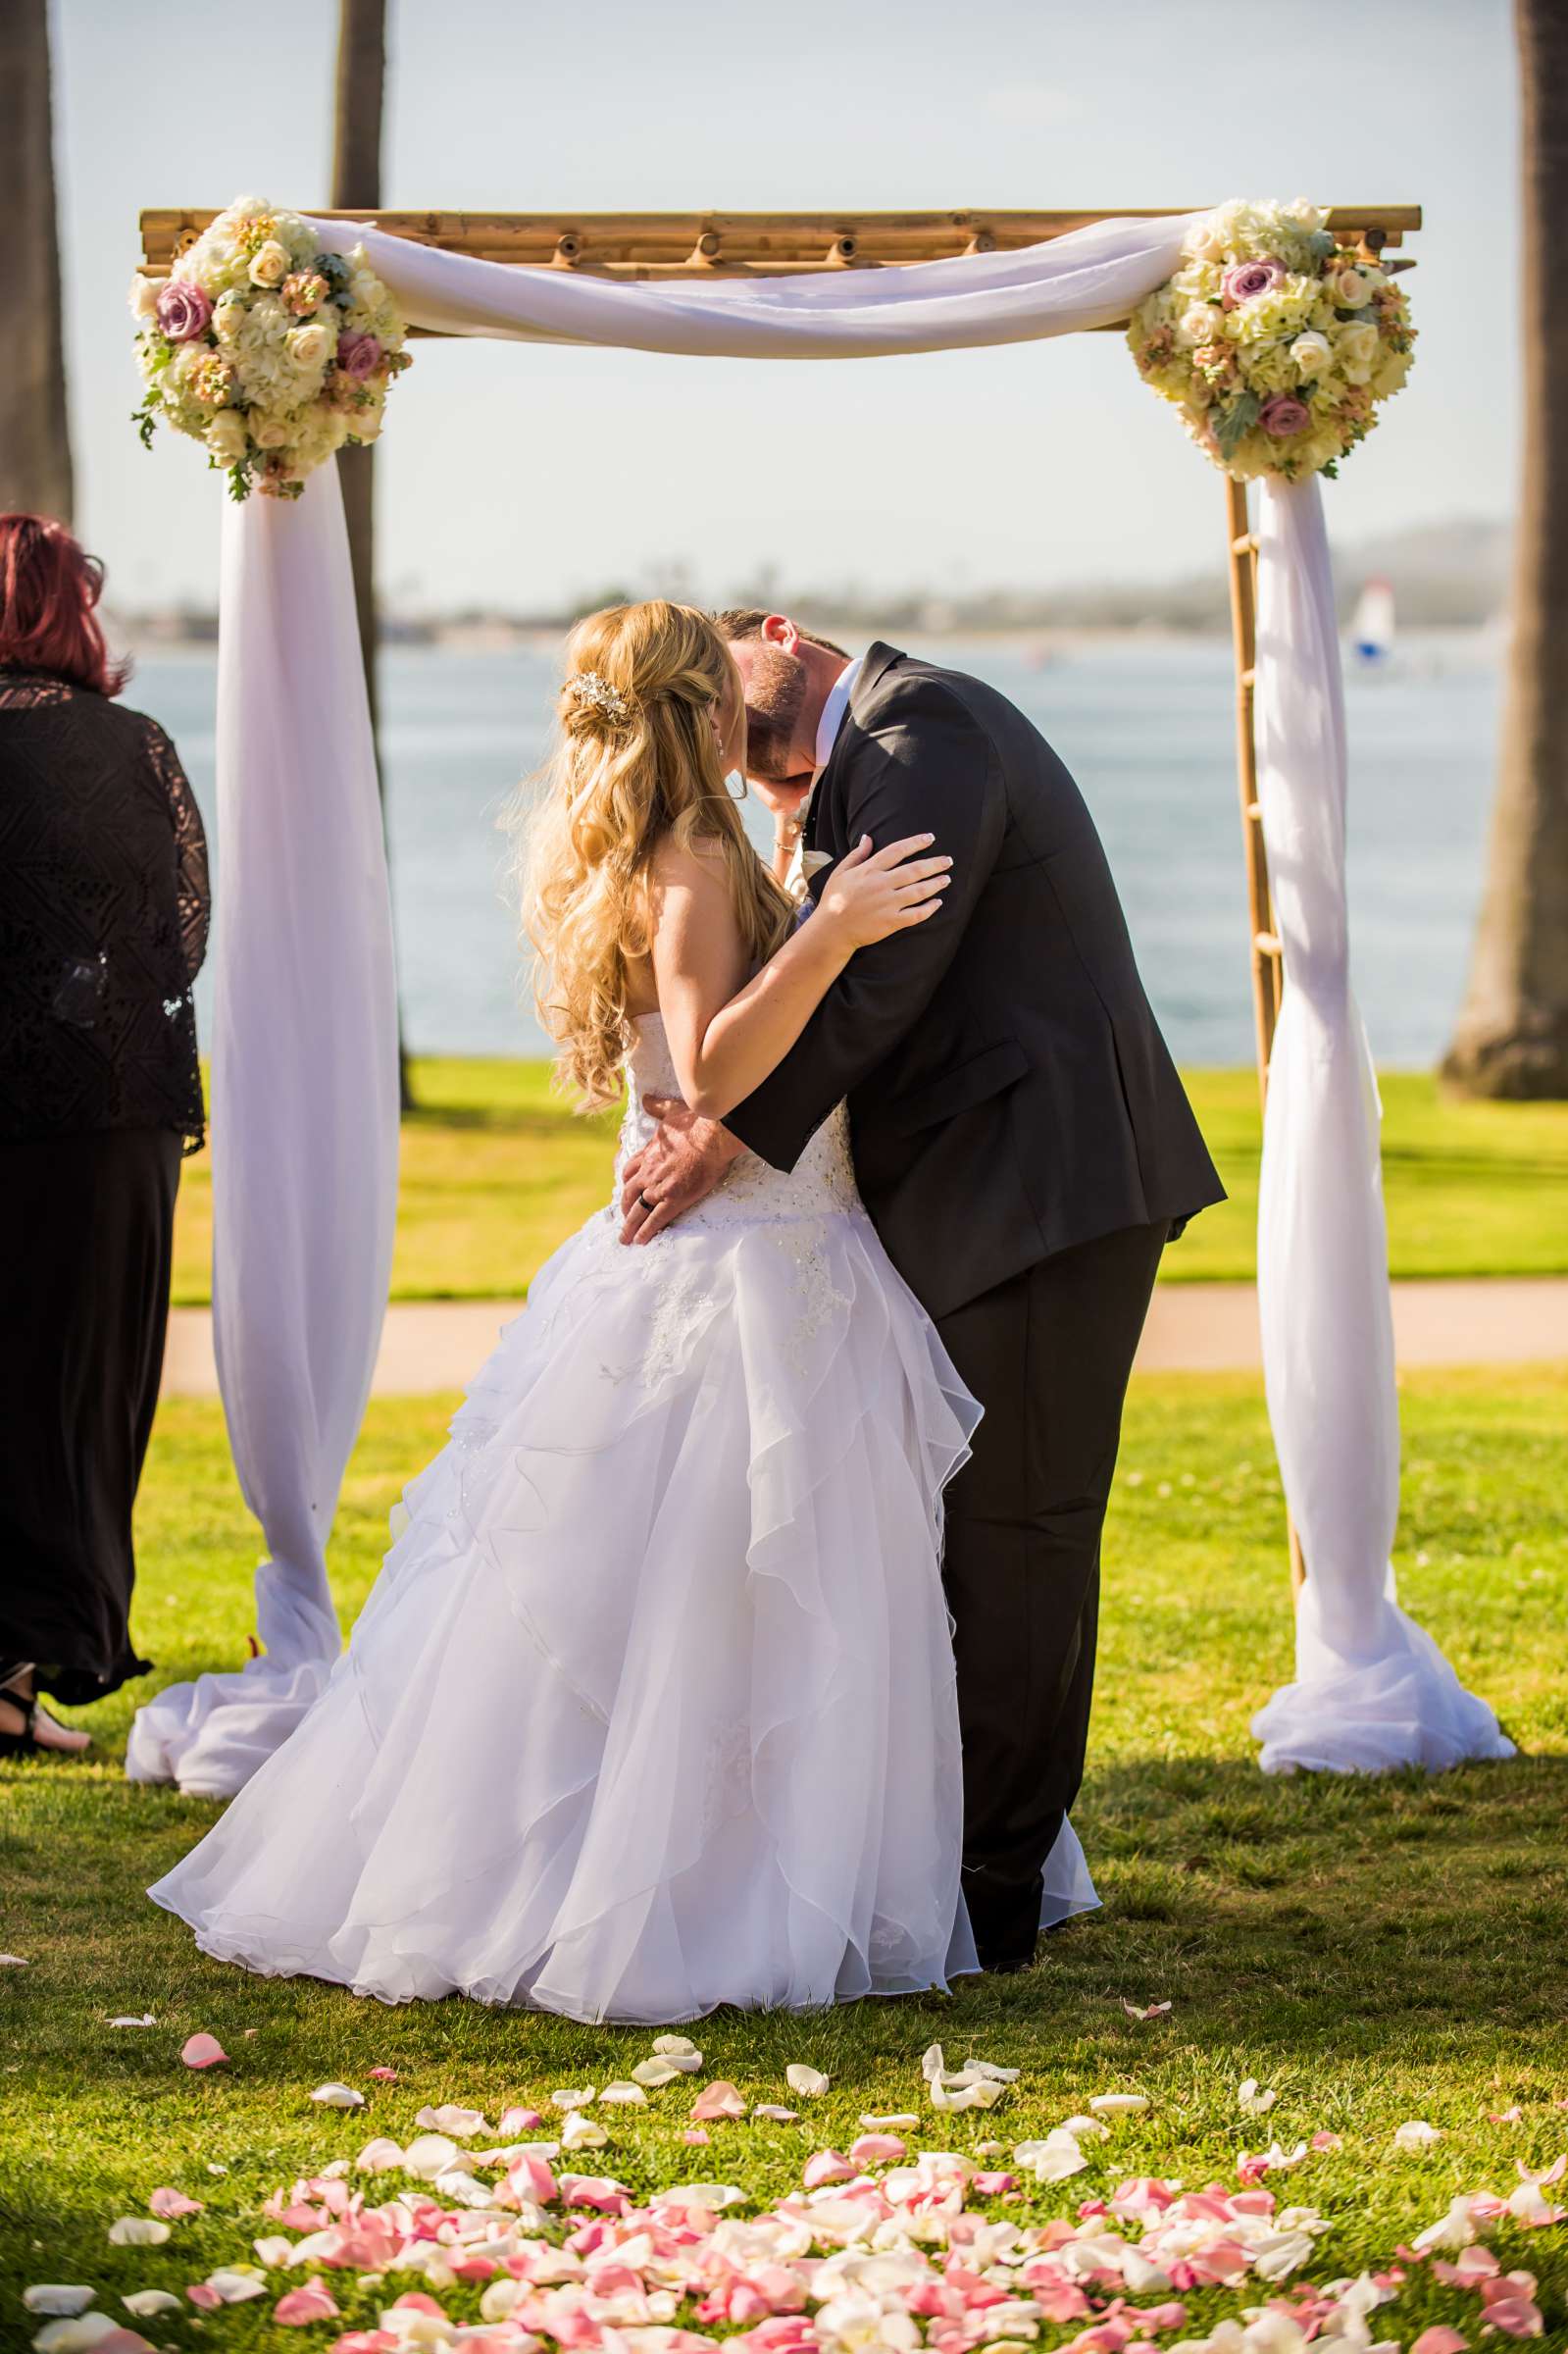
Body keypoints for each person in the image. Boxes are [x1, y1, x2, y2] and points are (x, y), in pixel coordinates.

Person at [151, 599, 1075, 2021]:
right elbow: (705, 1075)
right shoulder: (696, 850)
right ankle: (722, 1887)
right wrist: (826, 927)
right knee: (752, 1589)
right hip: (757, 1263)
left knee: (703, 1594)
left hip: (747, 1246)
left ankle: (721, 1860)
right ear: (699, 710)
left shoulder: (627, 846)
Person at [620, 614, 1226, 1973]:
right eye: (720, 740)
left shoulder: (920, 733)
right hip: (968, 1201)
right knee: (959, 1545)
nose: (728, 736)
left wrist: (713, 1136)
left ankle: (991, 1893)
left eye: (736, 698)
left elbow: (880, 991)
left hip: (1039, 1199)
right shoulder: (856, 764)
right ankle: (942, 1851)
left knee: (1016, 1542)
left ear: (781, 634)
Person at [0, 513, 210, 1758]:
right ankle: (19, 1674)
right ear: (72, 611)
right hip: (104, 1117)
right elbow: (179, 936)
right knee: (75, 1391)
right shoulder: (136, 748)